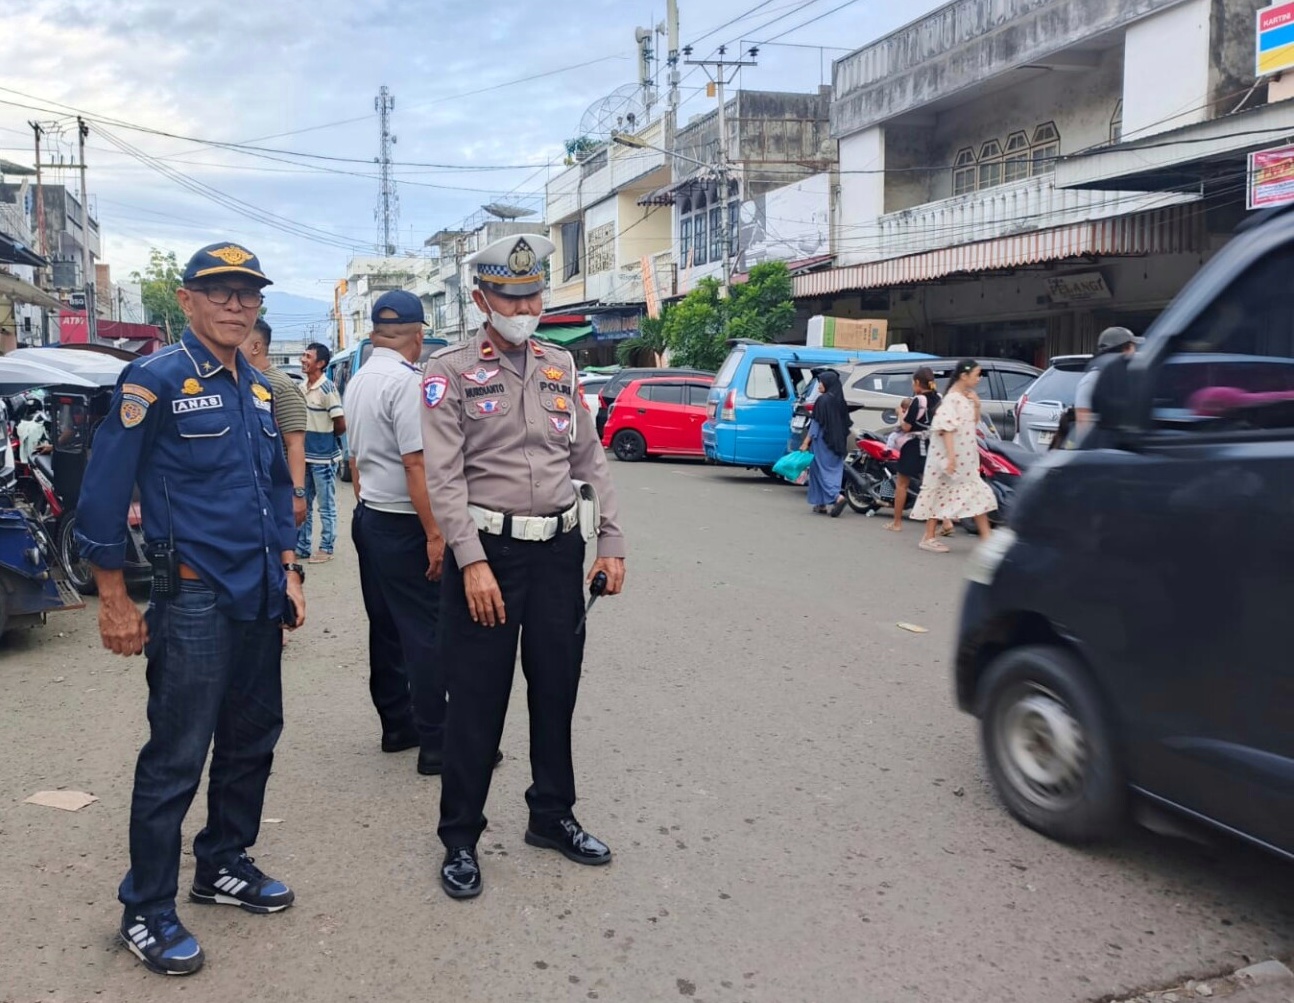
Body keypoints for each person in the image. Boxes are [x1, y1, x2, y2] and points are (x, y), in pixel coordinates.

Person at [74, 242, 305, 977]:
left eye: (248, 294)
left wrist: (290, 570)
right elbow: (104, 491)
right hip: (195, 594)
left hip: (260, 593)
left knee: (252, 738)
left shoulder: (259, 389)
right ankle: (146, 907)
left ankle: (223, 862)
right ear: (187, 300)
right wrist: (114, 597)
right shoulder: (155, 379)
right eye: (220, 292)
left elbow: (277, 490)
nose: (237, 305)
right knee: (176, 755)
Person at [420, 233, 626, 900]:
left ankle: (551, 814)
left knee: (556, 690)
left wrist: (611, 540)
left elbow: (589, 459)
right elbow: (444, 478)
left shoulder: (560, 364)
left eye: (534, 295)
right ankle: (460, 837)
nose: (526, 308)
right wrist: (471, 561)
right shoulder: (449, 371)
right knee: (476, 701)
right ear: (482, 298)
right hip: (490, 555)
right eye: (512, 298)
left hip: (558, 553)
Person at [344, 290, 453, 769]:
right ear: (418, 336)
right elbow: (416, 464)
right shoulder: (409, 383)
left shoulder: (359, 379)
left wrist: (367, 504)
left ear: (374, 334)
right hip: (406, 523)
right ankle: (438, 743)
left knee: (386, 627)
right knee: (426, 631)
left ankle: (396, 725)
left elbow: (355, 459)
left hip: (371, 515)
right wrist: (434, 534)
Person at [911, 359, 998, 552]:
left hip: (965, 460)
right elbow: (945, 429)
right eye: (976, 375)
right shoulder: (951, 399)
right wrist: (951, 458)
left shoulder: (964, 397)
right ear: (964, 376)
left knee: (975, 494)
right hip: (949, 458)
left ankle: (987, 539)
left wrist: (977, 404)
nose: (979, 379)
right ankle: (928, 537)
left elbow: (973, 422)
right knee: (939, 493)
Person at [239, 318, 308, 526]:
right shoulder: (239, 380)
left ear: (256, 347)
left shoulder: (281, 386)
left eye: (239, 340)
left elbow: (295, 444)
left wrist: (297, 493)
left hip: (275, 489)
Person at [297, 341, 345, 562]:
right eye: (303, 355)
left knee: (326, 507)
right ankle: (302, 547)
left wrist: (326, 440)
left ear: (321, 363)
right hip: (304, 457)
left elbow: (340, 423)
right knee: (303, 505)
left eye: (308, 356)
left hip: (324, 459)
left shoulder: (327, 389)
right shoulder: (302, 387)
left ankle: (327, 548)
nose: (303, 360)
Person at [886, 367, 941, 534]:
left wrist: (900, 414)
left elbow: (907, 427)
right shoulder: (939, 398)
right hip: (932, 444)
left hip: (913, 445)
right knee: (930, 486)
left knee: (902, 484)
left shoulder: (918, 401)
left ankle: (897, 523)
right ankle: (946, 523)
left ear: (917, 382)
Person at [799, 369, 851, 518]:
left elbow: (816, 424)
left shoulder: (822, 400)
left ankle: (836, 497)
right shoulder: (840, 401)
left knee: (820, 470)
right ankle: (820, 503)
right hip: (838, 442)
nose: (819, 385)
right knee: (833, 471)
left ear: (828, 383)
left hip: (822, 441)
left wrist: (806, 442)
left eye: (821, 382)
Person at [1074, 326, 1141, 430]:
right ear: (1124, 349)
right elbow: (1083, 425)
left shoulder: (1129, 377)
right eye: (1131, 347)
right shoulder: (1092, 380)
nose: (1134, 352)